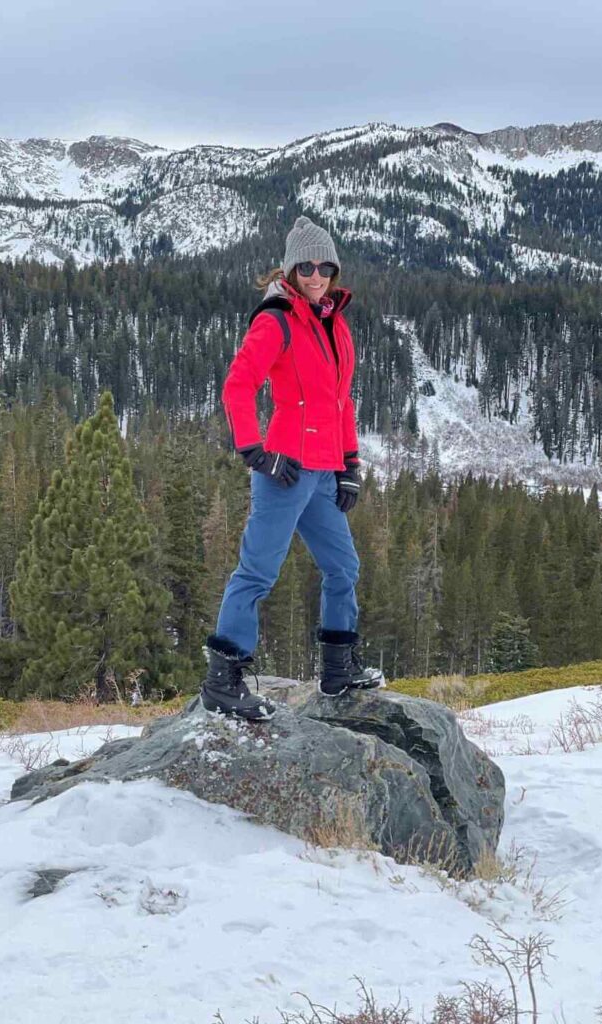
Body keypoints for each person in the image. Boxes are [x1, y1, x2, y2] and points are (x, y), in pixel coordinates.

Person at [201, 216, 386, 721]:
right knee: (258, 572)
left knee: (343, 567)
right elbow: (238, 387)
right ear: (291, 268)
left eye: (325, 266)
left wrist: (350, 463)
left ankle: (337, 670)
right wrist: (255, 452)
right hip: (283, 471)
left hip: (324, 473)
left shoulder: (334, 323)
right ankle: (223, 681)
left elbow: (340, 401)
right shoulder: (276, 319)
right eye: (306, 266)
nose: (316, 275)